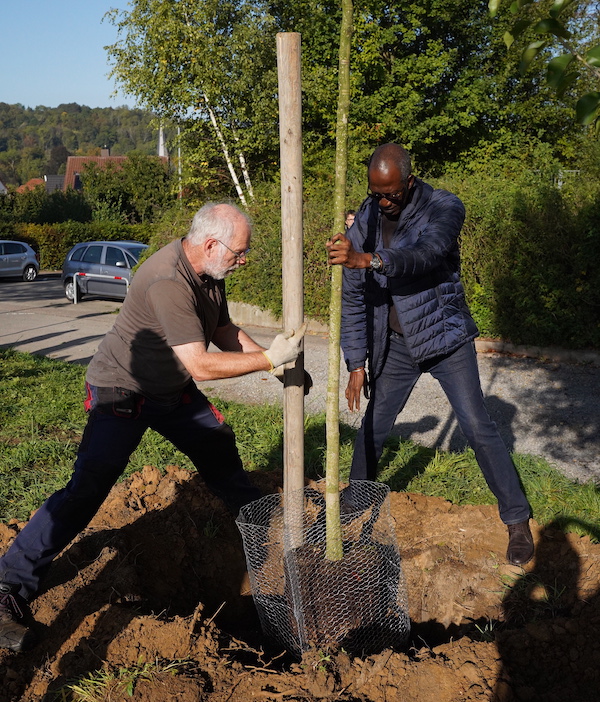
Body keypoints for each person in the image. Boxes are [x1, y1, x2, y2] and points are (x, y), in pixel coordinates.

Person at [0, 202, 306, 652]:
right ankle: (9, 586)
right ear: (210, 244)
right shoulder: (168, 281)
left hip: (170, 390)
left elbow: (222, 329)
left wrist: (271, 365)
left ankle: (262, 528)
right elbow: (200, 364)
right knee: (86, 490)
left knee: (218, 446)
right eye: (239, 253)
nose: (244, 260)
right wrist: (267, 359)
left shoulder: (207, 274)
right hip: (122, 392)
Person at [326, 143, 534, 568]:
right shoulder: (366, 215)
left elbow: (426, 254)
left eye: (391, 194)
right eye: (375, 193)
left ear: (410, 181)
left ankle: (516, 519)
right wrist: (356, 363)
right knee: (375, 424)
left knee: (477, 425)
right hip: (397, 346)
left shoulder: (444, 206)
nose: (383, 202)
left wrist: (368, 259)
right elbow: (353, 294)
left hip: (444, 339)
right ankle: (358, 494)